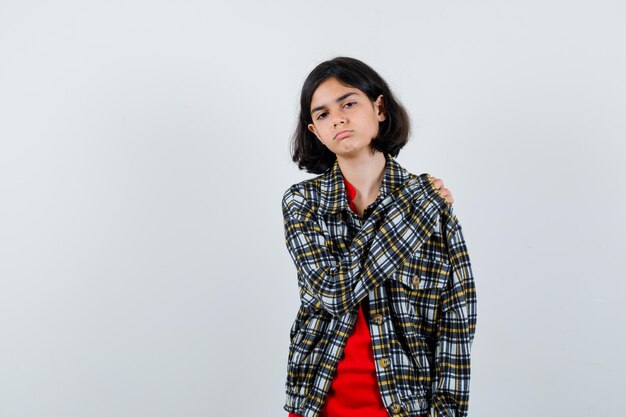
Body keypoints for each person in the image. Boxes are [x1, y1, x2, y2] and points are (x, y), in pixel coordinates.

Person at [281, 57, 477, 417]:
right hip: (317, 401)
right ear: (315, 132)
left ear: (380, 108)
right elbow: (334, 293)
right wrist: (411, 211)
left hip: (407, 405)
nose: (337, 118)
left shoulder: (432, 204)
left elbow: (457, 322)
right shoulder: (302, 203)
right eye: (322, 114)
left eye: (349, 103)